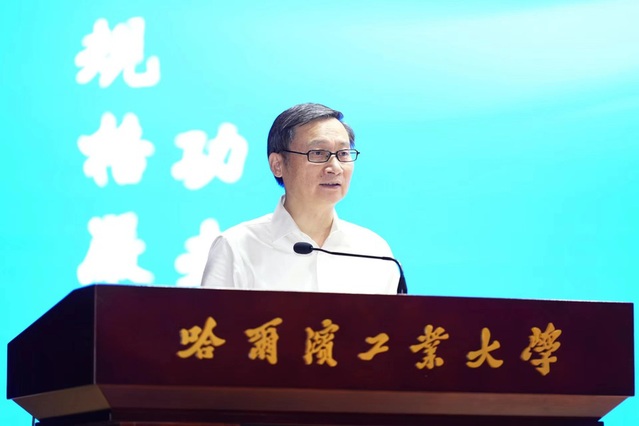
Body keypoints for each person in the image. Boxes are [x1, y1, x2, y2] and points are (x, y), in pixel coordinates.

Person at [201, 103, 400, 294]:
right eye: (318, 153)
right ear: (277, 165)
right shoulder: (236, 247)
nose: (335, 167)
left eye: (343, 153)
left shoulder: (374, 251)